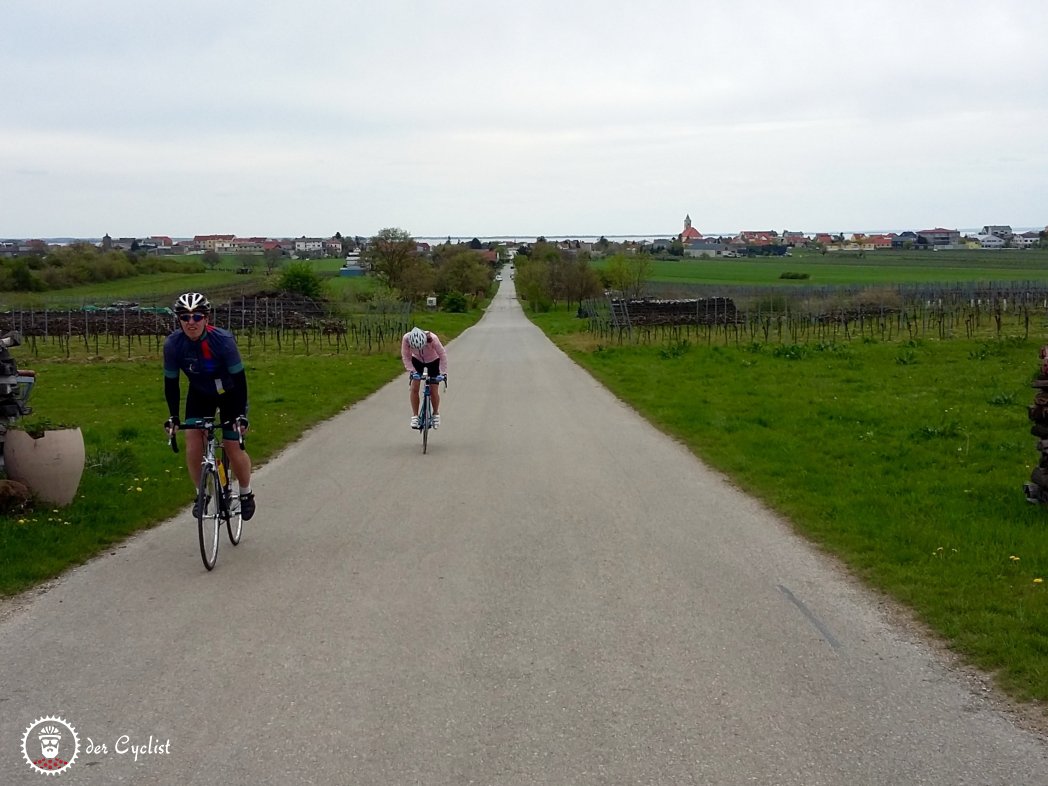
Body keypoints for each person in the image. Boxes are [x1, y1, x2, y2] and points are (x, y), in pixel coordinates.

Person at [163, 292, 255, 520]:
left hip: (230, 392)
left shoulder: (222, 341)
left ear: (206, 318)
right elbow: (171, 384)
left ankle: (245, 493)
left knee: (233, 445)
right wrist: (173, 417)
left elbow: (240, 380)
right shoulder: (173, 344)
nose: (191, 322)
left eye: (197, 317)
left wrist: (240, 416)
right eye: (185, 317)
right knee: (193, 442)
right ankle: (201, 493)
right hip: (201, 394)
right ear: (179, 320)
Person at [401, 326, 447, 429]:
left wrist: (443, 373)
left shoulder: (433, 338)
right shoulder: (406, 339)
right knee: (414, 388)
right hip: (417, 361)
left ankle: (435, 414)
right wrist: (412, 371)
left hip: (433, 361)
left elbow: (442, 355)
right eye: (416, 348)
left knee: (433, 390)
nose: (419, 349)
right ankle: (415, 416)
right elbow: (406, 356)